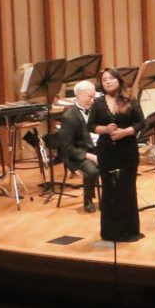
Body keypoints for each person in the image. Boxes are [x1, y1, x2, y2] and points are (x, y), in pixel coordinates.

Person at [90, 67, 143, 243]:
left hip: (127, 150)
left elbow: (141, 123)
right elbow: (90, 125)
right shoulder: (98, 103)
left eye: (111, 78)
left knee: (127, 190)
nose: (108, 82)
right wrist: (104, 129)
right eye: (104, 80)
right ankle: (110, 232)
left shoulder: (131, 100)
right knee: (109, 190)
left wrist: (124, 132)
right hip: (106, 151)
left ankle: (128, 231)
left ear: (119, 80)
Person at [53, 78, 99, 211]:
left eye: (94, 97)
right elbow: (68, 148)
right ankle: (88, 200)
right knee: (92, 170)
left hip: (95, 149)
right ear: (79, 95)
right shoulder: (69, 117)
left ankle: (109, 198)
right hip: (76, 155)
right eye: (89, 97)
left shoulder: (95, 110)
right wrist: (90, 156)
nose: (92, 100)